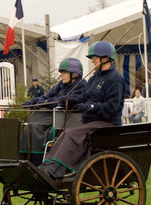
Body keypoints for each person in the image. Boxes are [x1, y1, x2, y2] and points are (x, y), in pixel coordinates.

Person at [39, 41, 126, 179]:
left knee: (72, 134)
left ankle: (57, 171)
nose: (92, 61)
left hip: (107, 122)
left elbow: (111, 107)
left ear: (105, 58)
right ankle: (47, 165)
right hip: (91, 120)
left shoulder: (115, 78)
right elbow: (84, 97)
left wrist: (90, 107)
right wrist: (71, 100)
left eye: (94, 58)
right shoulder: (94, 78)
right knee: (64, 133)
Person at [20, 57, 86, 165]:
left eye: (64, 72)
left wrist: (47, 101)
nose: (61, 75)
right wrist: (32, 102)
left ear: (73, 74)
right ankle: (24, 156)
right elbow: (46, 97)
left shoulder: (81, 86)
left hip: (63, 117)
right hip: (51, 113)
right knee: (28, 125)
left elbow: (61, 101)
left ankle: (37, 161)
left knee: (33, 127)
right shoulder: (60, 85)